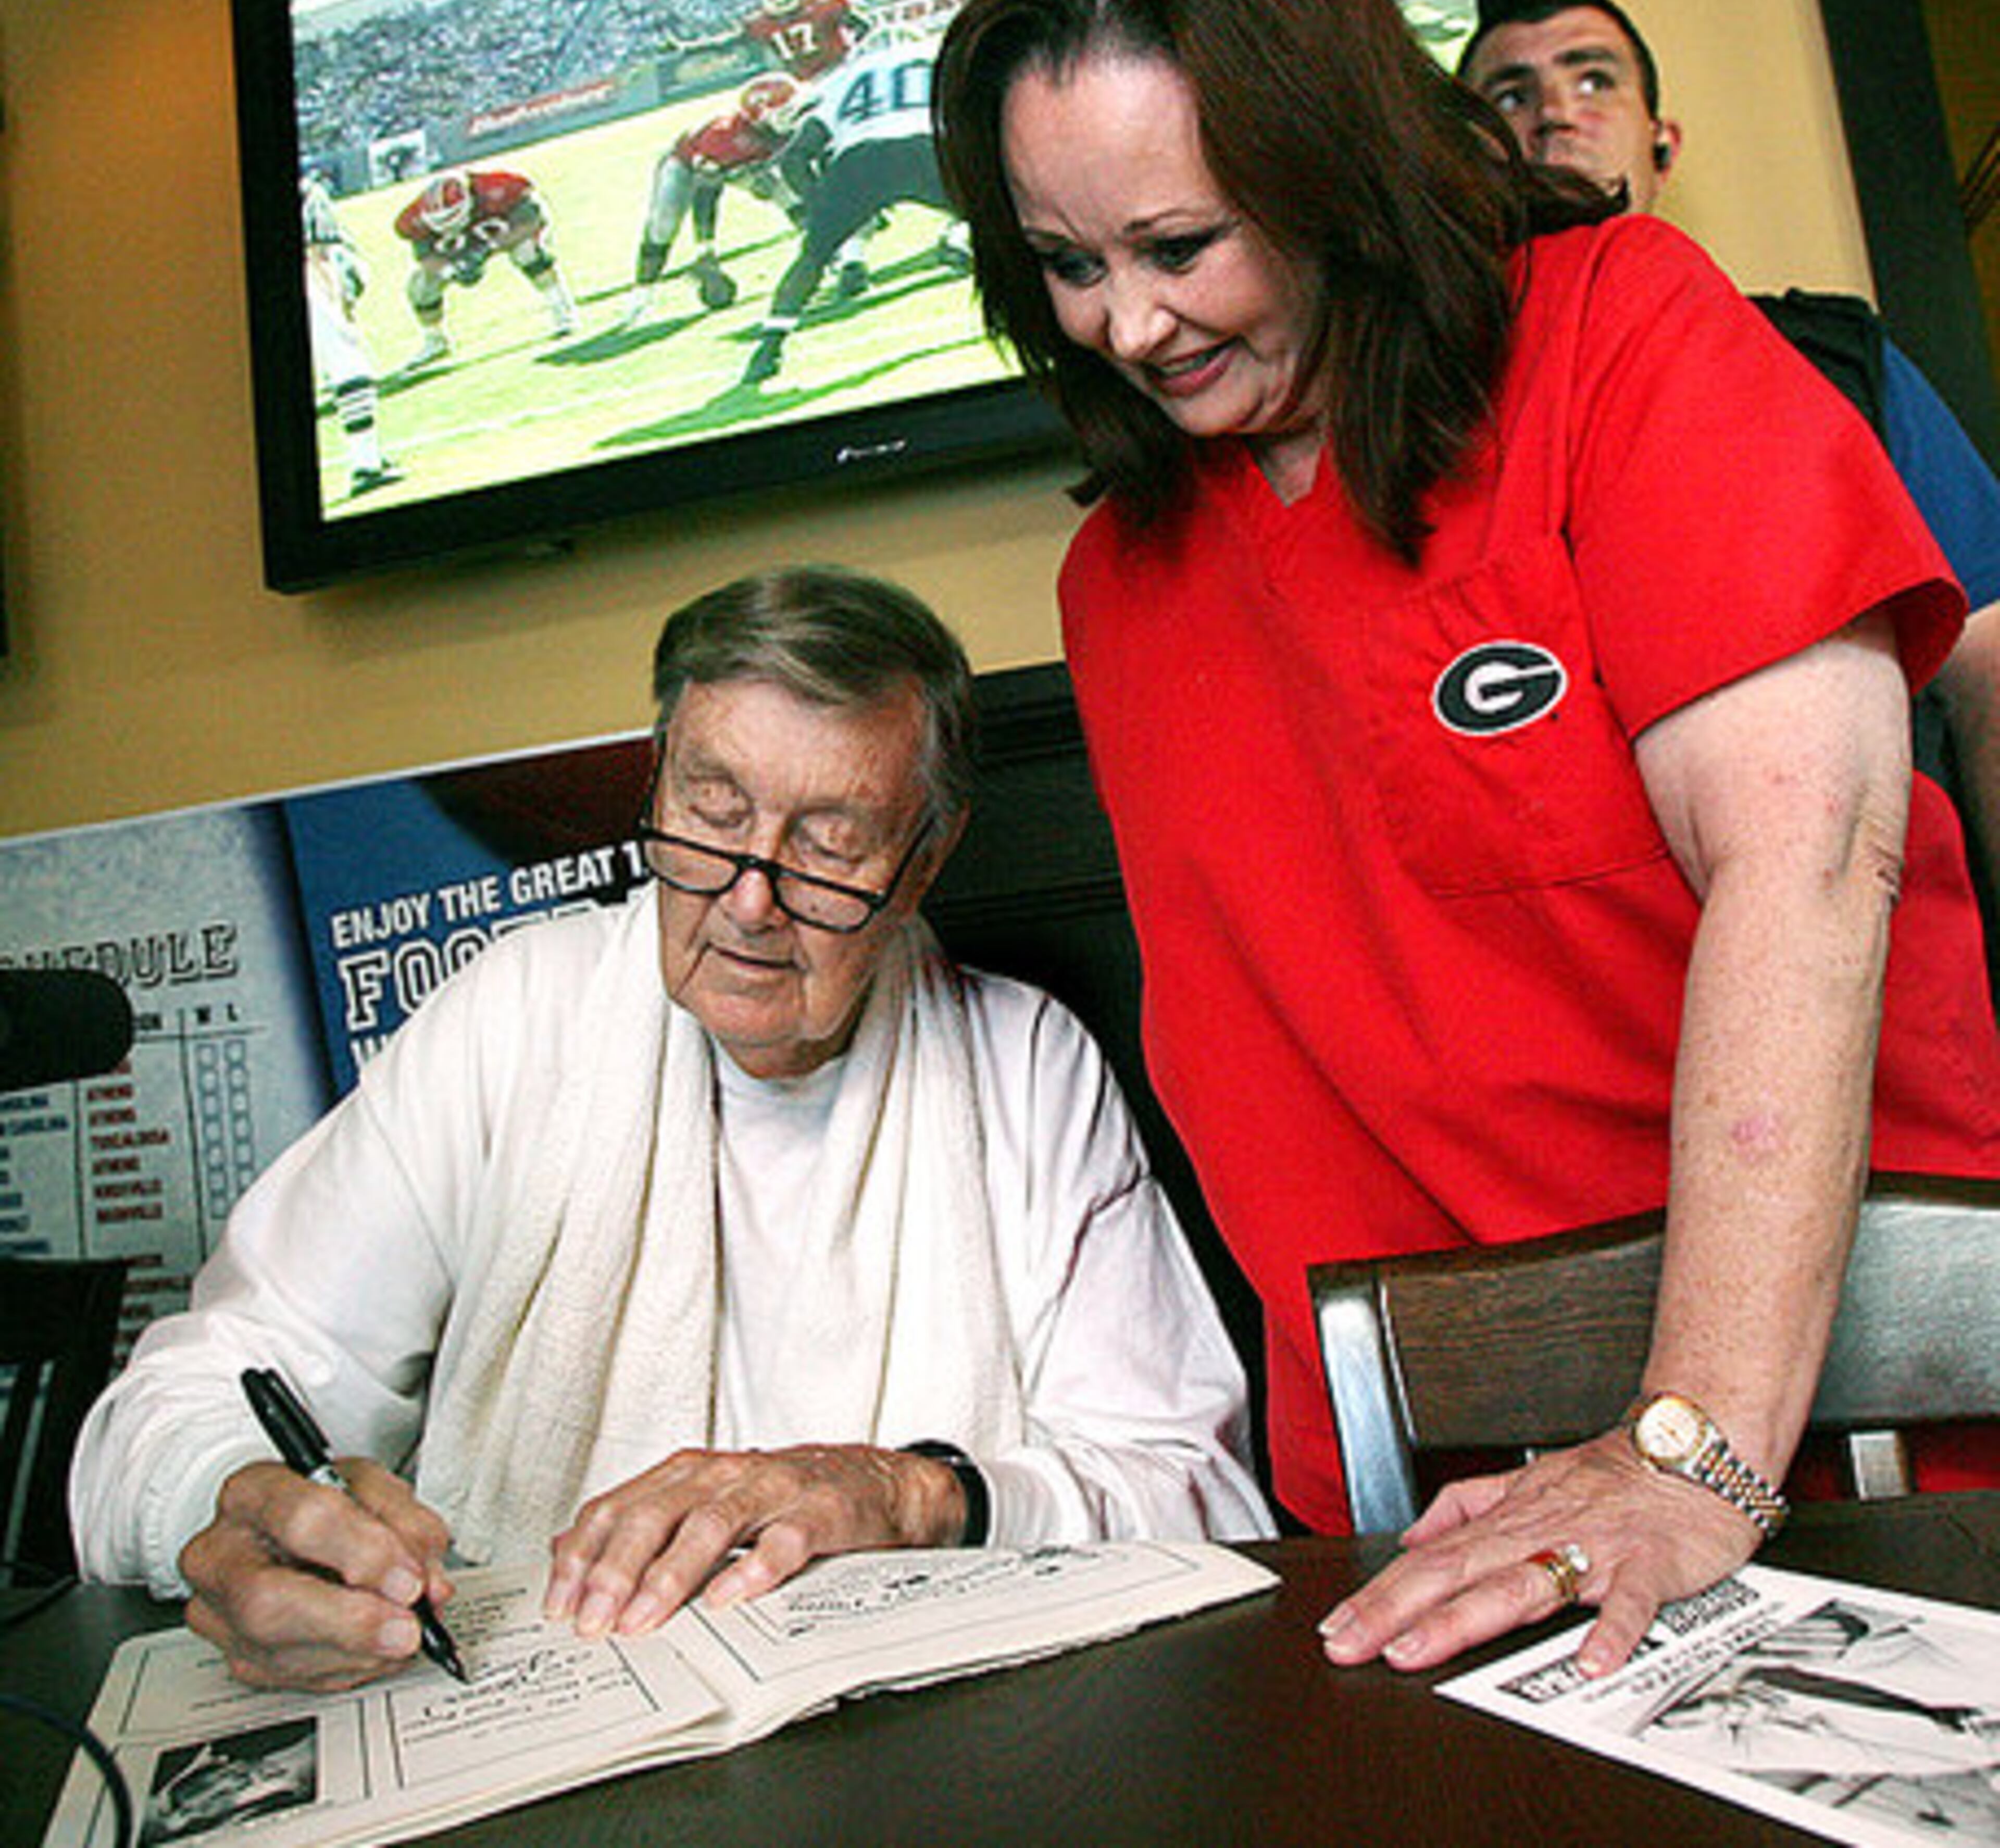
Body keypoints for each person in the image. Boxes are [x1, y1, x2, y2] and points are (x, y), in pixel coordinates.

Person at [933, 0, 2000, 1681]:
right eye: (1069, 262)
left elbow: (1809, 867)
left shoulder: (1623, 334)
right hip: (1419, 1512)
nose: (1125, 325)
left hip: (1838, 1438)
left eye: (1182, 245)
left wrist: (1694, 1442)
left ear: (1333, 175)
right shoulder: (1116, 582)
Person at [69, 565, 1269, 1693]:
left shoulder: (1025, 1065)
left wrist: (912, 1494)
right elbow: (175, 1408)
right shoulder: (515, 1015)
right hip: (529, 1718)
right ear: (655, 788)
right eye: (711, 810)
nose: (750, 899)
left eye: (830, 840)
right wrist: (230, 1502)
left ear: (921, 863)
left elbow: (1202, 1496)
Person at [1457, 0, 2000, 988]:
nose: (1556, 113)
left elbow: (1989, 662)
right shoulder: (1426, 418)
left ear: (1662, 145)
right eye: (1510, 95)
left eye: (1593, 78)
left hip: (1886, 963)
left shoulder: (1839, 362)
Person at [739, 33, 972, 387]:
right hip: (925, 146)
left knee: (812, 258)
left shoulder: (844, 77)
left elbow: (795, 158)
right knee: (1005, 220)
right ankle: (971, 247)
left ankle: (768, 349)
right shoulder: (937, 56)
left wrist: (822, 208)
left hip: (859, 160)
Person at [619, 73, 806, 328]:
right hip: (687, 166)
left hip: (747, 163)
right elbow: (706, 193)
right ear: (758, 114)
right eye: (784, 112)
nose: (792, 118)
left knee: (788, 196)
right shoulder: (723, 137)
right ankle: (642, 295)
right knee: (664, 225)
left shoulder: (782, 128)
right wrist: (705, 249)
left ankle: (828, 255)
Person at [391, 166, 579, 371]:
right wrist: (451, 270)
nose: (447, 225)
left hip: (505, 232)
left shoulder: (500, 187)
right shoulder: (412, 219)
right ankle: (435, 340)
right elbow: (426, 258)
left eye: (452, 218)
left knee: (527, 251)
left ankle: (562, 309)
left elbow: (533, 220)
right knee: (421, 284)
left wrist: (491, 247)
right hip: (463, 245)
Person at [301, 174, 397, 499]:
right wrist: (339, 311)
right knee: (351, 365)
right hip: (308, 285)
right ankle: (366, 465)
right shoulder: (309, 192)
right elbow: (319, 255)